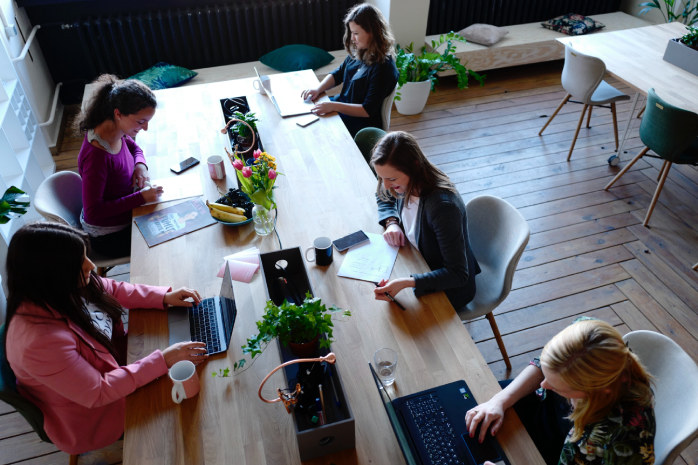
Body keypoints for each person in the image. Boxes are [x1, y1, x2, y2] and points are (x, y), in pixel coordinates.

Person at [4, 223, 207, 455]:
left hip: (119, 363)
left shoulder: (56, 287)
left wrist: (164, 297)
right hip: (96, 414)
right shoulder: (39, 343)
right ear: (52, 274)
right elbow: (98, 391)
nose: (91, 265)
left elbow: (111, 288)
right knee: (195, 418)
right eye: (79, 262)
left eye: (85, 256)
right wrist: (163, 360)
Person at [465, 318, 655, 465]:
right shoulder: (587, 333)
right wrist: (500, 400)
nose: (544, 385)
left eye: (557, 386)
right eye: (546, 375)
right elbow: (544, 364)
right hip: (540, 414)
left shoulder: (614, 440)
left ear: (592, 390)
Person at [371, 131, 481, 311]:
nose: (386, 185)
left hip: (448, 288)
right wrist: (391, 222)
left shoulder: (442, 207)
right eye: (381, 177)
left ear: (414, 166)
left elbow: (458, 274)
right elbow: (383, 194)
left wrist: (408, 282)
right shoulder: (404, 180)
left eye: (391, 179)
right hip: (417, 260)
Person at [77, 74, 164, 258]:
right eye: (141, 122)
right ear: (118, 114)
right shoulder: (97, 157)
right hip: (109, 236)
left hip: (128, 210)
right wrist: (140, 198)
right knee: (166, 241)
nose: (145, 128)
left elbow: (133, 147)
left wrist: (140, 165)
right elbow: (94, 212)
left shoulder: (114, 129)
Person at [301, 3, 398, 137]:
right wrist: (318, 89)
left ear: (372, 32)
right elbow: (338, 73)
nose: (352, 38)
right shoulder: (360, 52)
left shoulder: (383, 68)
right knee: (307, 112)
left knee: (317, 127)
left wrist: (333, 106)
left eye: (356, 33)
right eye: (352, 33)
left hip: (360, 123)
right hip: (342, 106)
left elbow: (367, 110)